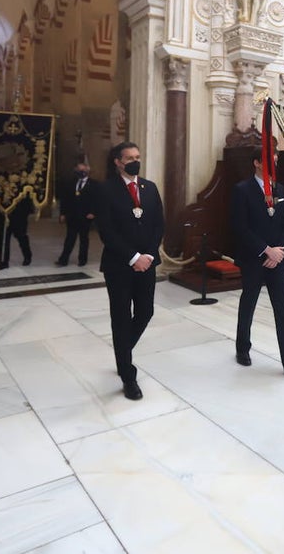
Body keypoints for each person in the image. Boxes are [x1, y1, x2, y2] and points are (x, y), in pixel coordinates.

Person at [231, 148, 284, 374]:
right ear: (257, 163)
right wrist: (265, 250)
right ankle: (243, 348)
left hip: (276, 259)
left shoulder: (279, 189)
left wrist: (278, 251)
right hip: (253, 258)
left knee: (283, 310)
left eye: (276, 161)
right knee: (248, 303)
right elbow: (240, 227)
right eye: (270, 161)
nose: (274, 165)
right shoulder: (242, 190)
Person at [96, 141, 165, 400]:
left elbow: (158, 224)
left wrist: (147, 255)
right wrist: (132, 257)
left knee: (146, 311)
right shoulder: (107, 190)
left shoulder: (149, 187)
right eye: (129, 158)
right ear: (117, 161)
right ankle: (128, 374)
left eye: (137, 156)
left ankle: (122, 351)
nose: (134, 161)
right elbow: (106, 231)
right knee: (122, 317)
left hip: (146, 262)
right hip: (119, 265)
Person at [56, 161, 98, 267]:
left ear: (88, 171)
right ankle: (63, 260)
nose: (81, 172)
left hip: (85, 216)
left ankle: (82, 260)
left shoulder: (94, 184)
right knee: (69, 238)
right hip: (72, 216)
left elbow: (97, 200)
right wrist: (62, 213)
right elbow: (65, 200)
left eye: (83, 170)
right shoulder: (70, 183)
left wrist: (93, 212)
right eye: (79, 170)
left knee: (84, 239)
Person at [0, 196, 34, 270]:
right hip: (4, 208)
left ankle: (27, 255)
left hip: (20, 208)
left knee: (20, 234)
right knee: (3, 236)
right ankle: (3, 262)